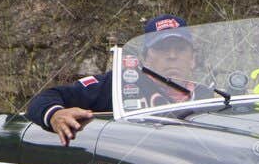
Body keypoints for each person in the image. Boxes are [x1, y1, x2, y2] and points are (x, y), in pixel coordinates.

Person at [25, 13, 196, 143]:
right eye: (162, 49)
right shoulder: (120, 85)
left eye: (180, 49)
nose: (172, 55)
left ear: (192, 59)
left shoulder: (211, 95)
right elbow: (45, 98)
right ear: (145, 58)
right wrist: (55, 114)